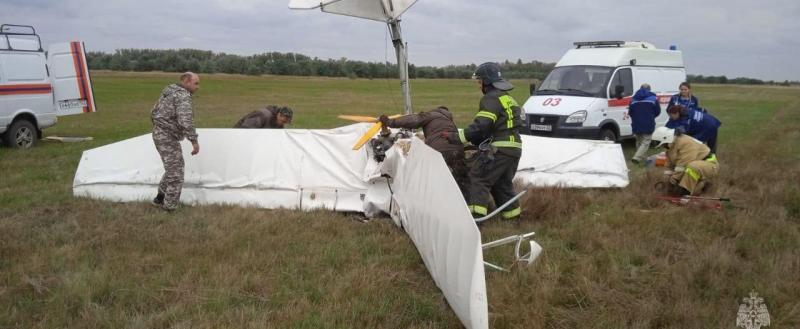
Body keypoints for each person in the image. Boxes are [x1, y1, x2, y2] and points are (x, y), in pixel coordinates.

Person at [448, 62, 524, 221]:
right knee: (502, 184)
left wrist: (457, 138)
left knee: (478, 178)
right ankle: (513, 219)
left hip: (499, 149)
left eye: (479, 81)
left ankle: (475, 220)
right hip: (514, 149)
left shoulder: (491, 98)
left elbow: (481, 126)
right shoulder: (508, 99)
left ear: (486, 81)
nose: (478, 85)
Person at [379, 106, 468, 197]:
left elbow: (413, 120)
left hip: (439, 151)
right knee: (460, 182)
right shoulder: (449, 121)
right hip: (458, 150)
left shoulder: (432, 115)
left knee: (435, 182)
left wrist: (389, 122)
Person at [150, 72, 201, 211]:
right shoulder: (182, 96)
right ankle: (169, 208)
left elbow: (154, 111)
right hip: (166, 136)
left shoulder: (169, 91)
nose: (198, 87)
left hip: (160, 133)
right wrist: (194, 141)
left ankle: (160, 198)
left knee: (173, 168)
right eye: (195, 83)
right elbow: (185, 121)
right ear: (186, 81)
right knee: (176, 173)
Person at [651, 126, 718, 196]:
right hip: (692, 166)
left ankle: (699, 187)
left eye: (660, 143)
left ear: (665, 138)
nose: (661, 146)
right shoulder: (670, 146)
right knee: (677, 187)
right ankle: (691, 188)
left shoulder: (685, 142)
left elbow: (683, 165)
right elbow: (670, 165)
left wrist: (672, 181)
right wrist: (667, 179)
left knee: (692, 168)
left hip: (709, 165)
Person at [628, 83, 661, 163]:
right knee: (646, 141)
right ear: (649, 90)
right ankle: (636, 158)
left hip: (636, 123)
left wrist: (636, 118)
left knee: (639, 140)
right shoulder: (653, 98)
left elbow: (630, 112)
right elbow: (657, 111)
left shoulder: (633, 99)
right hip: (648, 122)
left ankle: (641, 158)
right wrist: (651, 116)